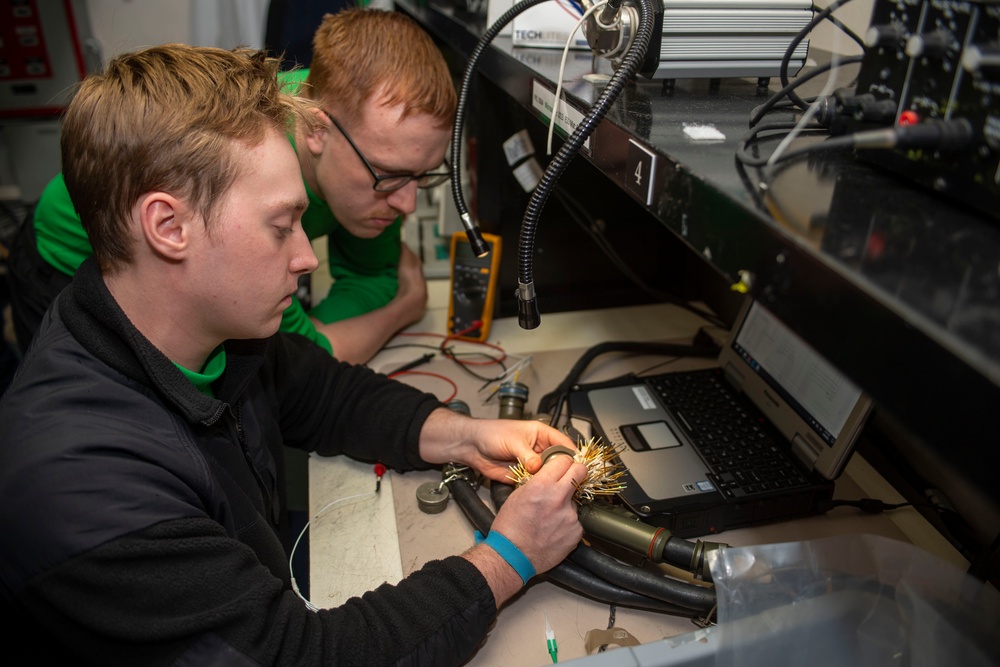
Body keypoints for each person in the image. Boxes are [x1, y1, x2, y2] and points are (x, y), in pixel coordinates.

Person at [0, 43, 586, 665]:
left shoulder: (209, 331)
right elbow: (299, 657)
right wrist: (510, 556)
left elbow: (324, 393)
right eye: (281, 227)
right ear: (168, 227)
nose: (306, 257)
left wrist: (467, 437)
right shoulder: (89, 487)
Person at [7, 8, 452, 364]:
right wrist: (402, 309)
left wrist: (315, 337)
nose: (407, 203)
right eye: (389, 176)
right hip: (66, 264)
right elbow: (308, 357)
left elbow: (363, 284)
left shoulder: (371, 145)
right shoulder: (259, 159)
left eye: (423, 174)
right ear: (318, 131)